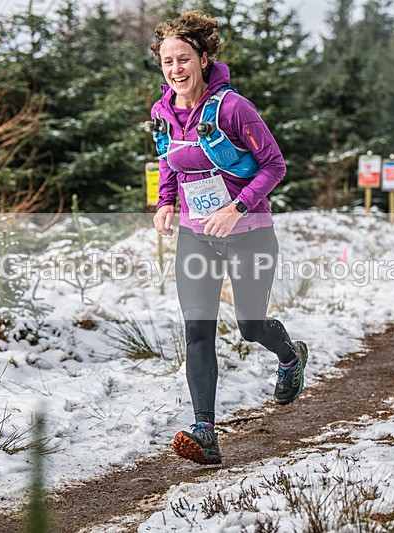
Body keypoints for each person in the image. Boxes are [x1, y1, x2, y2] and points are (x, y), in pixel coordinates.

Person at [149, 10, 308, 465]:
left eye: (183, 59)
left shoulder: (234, 108)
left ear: (202, 58)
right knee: (197, 330)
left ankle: (290, 355)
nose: (175, 69)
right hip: (196, 236)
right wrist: (165, 202)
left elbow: (275, 166)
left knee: (250, 325)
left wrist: (237, 207)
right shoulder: (162, 111)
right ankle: (205, 431)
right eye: (167, 62)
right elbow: (168, 158)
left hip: (248, 233)